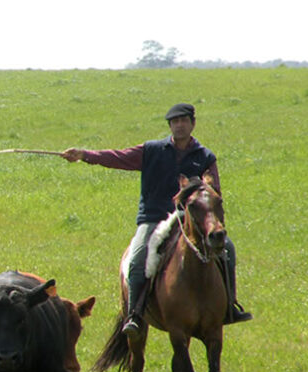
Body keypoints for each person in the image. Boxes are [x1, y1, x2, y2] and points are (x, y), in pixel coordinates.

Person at [62, 103, 252, 339]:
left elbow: (214, 190)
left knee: (228, 249)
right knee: (138, 257)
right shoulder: (151, 150)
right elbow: (118, 157)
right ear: (170, 126)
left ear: (192, 123)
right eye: (175, 122)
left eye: (184, 121)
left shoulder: (205, 156)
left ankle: (230, 306)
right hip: (154, 218)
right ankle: (134, 313)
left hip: (190, 218)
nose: (179, 125)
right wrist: (84, 155)